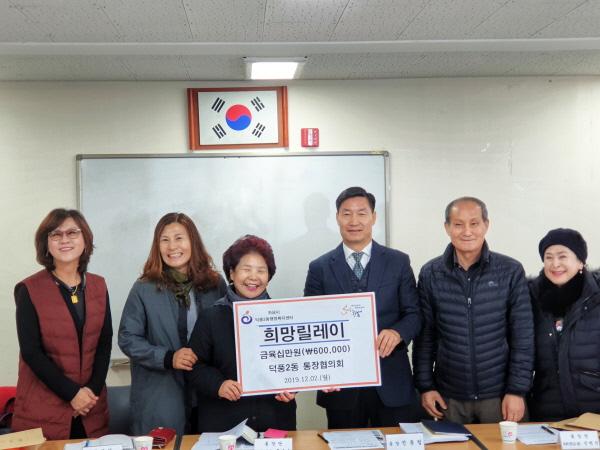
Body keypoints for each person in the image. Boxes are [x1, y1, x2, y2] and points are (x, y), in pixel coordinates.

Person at [304, 186, 421, 428]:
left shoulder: (398, 261)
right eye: (347, 214)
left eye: (362, 213)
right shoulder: (319, 267)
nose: (354, 221)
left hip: (391, 379)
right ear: (337, 217)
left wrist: (397, 332)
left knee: (395, 442)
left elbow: (414, 313)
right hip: (340, 384)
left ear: (374, 217)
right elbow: (310, 322)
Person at [413, 196, 533, 424]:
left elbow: (523, 336)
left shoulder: (510, 271)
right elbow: (425, 336)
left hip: (500, 397)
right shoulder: (431, 273)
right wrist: (426, 386)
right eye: (458, 224)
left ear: (486, 225)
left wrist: (517, 390)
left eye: (474, 223)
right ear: (447, 227)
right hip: (449, 397)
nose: (467, 231)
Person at [118, 212, 226, 435]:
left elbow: (230, 333)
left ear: (192, 241)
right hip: (161, 395)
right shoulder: (144, 288)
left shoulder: (215, 284)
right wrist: (168, 357)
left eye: (179, 238)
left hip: (210, 395)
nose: (172, 246)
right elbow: (128, 338)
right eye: (164, 240)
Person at [13, 209, 112, 439]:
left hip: (90, 409)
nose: (64, 239)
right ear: (46, 244)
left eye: (72, 233)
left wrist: (90, 392)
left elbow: (104, 344)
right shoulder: (29, 289)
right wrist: (72, 394)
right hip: (44, 411)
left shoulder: (99, 285)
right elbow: (31, 352)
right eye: (56, 234)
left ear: (85, 239)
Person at [187, 235, 297, 432]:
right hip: (224, 424)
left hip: (275, 420)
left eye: (261, 270)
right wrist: (219, 385)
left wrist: (293, 387)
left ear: (269, 276)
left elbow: (299, 362)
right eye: (246, 269)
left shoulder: (284, 316)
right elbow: (194, 367)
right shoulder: (211, 317)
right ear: (231, 273)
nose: (253, 277)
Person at [528, 228, 600, 421]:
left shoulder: (595, 298)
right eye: (549, 257)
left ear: (580, 261)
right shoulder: (531, 298)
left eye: (562, 256)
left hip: (594, 414)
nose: (555, 264)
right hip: (547, 414)